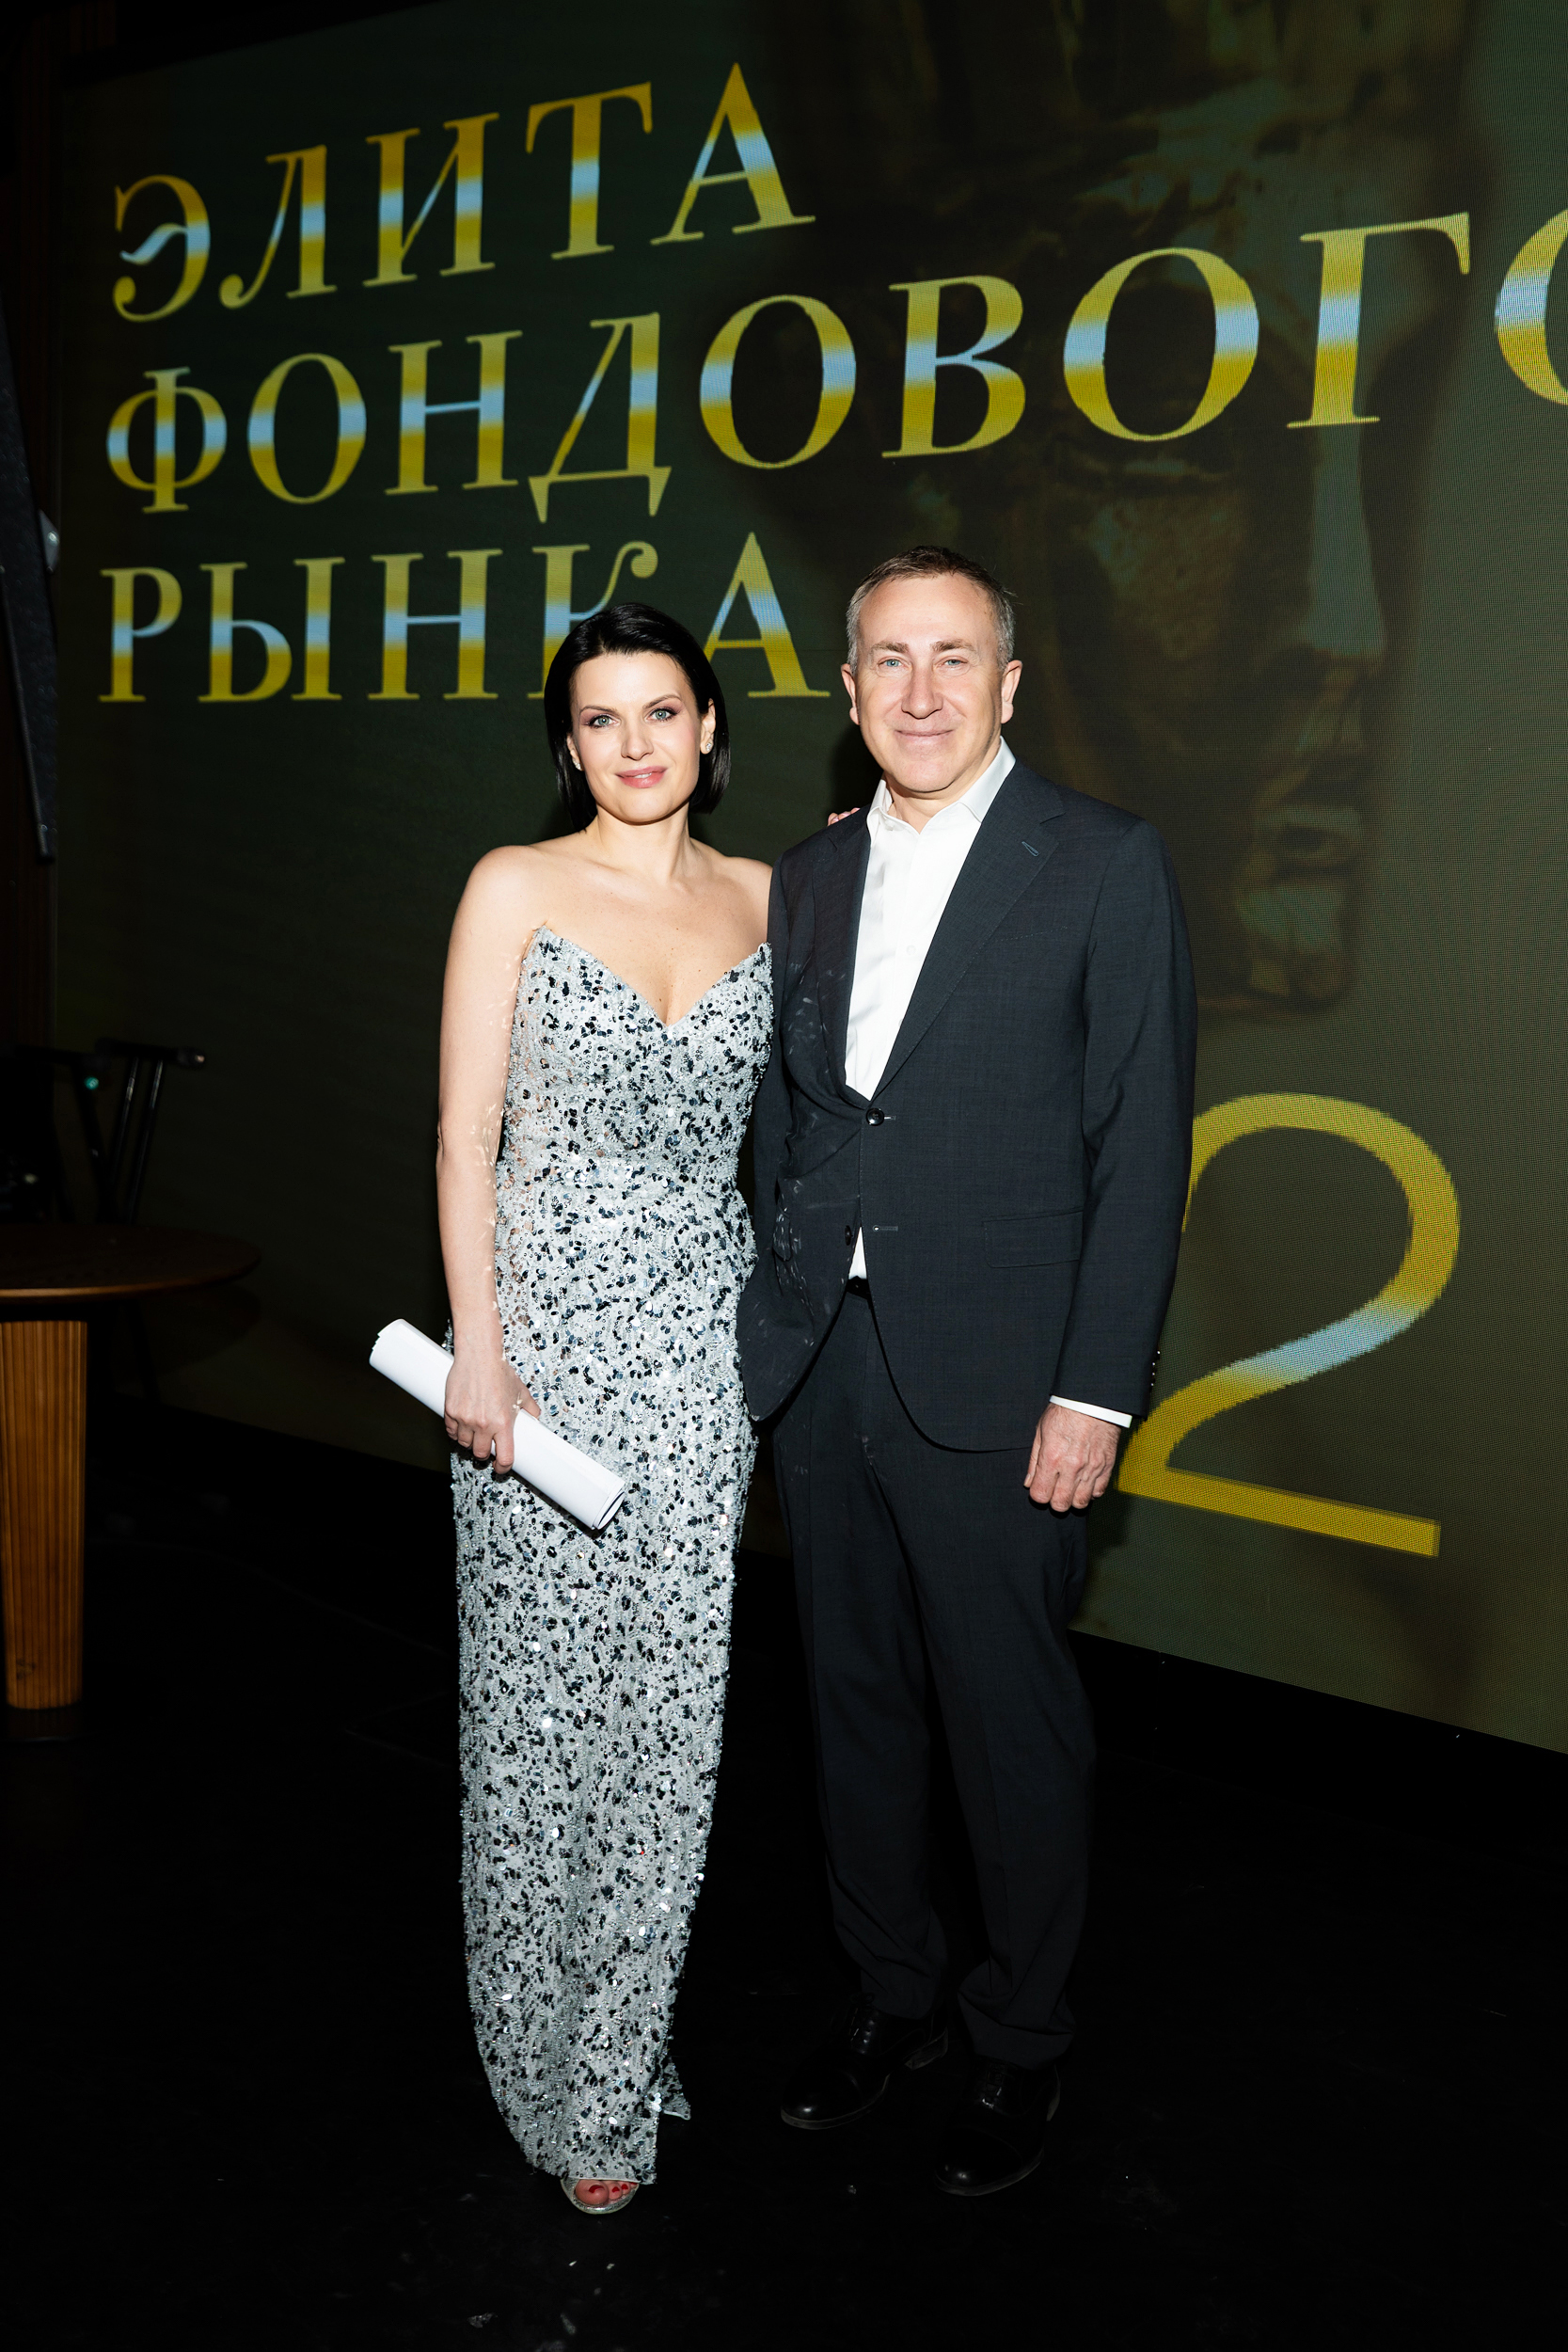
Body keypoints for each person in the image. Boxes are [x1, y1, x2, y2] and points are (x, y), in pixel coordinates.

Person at [739, 546, 1196, 2196]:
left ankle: (1020, 2037)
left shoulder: (1105, 860)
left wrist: (1097, 1390)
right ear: (847, 688)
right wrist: (771, 1326)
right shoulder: (809, 873)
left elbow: (1142, 1149)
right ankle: (892, 1994)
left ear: (1008, 682)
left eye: (952, 658)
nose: (919, 691)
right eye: (887, 659)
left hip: (1008, 1381)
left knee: (1009, 1729)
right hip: (826, 1367)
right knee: (851, 1708)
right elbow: (793, 1120)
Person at [436, 604, 772, 2216]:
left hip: (704, 1361)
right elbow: (463, 1138)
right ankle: (536, 2048)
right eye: (599, 718)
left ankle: (616, 2066)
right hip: (540, 1361)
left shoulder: (774, 899)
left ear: (709, 727)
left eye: (661, 711)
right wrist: (480, 1350)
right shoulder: (513, 884)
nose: (634, 744)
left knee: (667, 1737)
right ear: (567, 745)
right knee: (535, 1726)